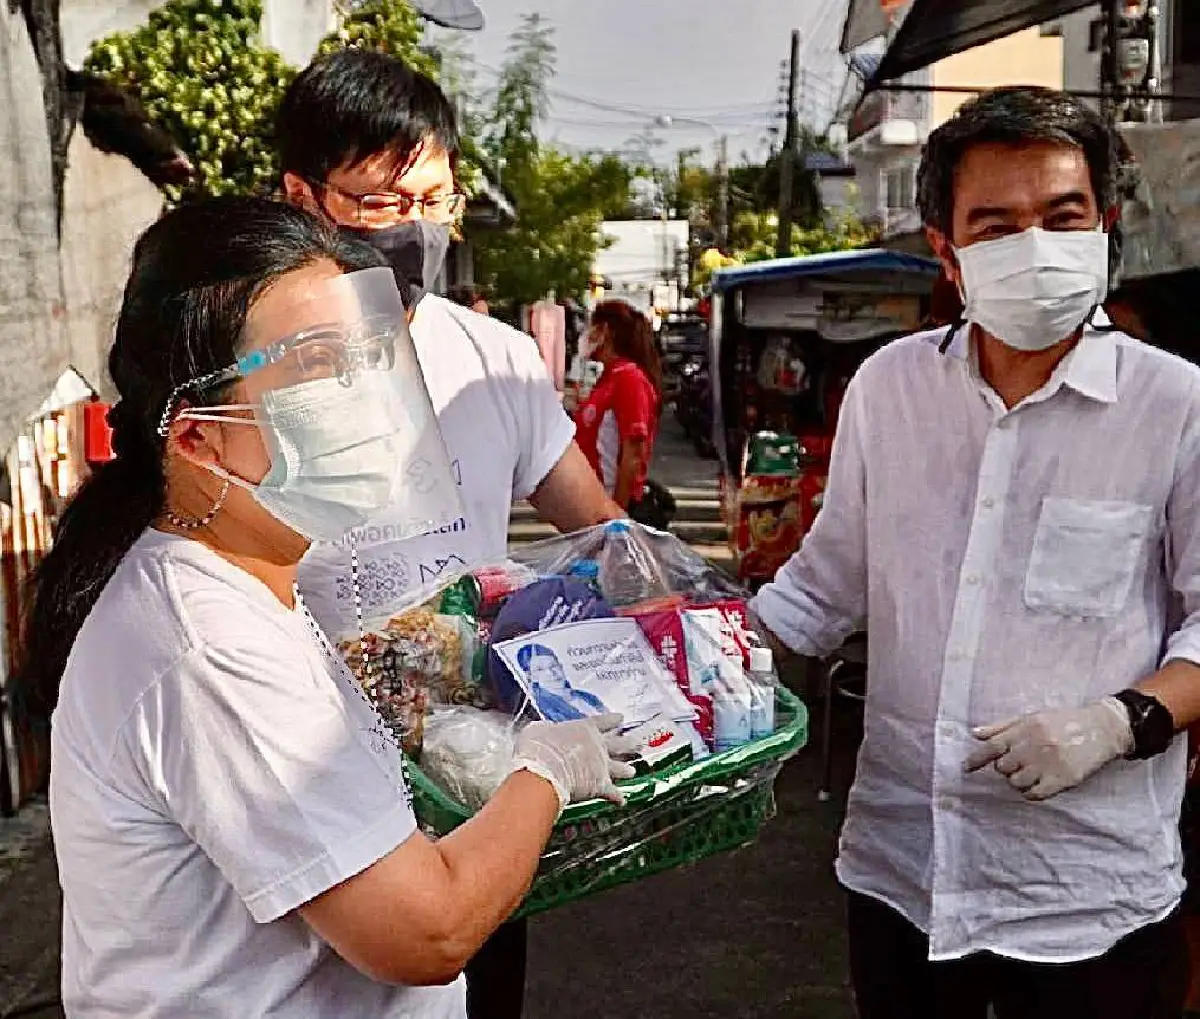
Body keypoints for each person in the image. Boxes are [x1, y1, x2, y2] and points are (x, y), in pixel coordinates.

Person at [24, 196, 635, 1019]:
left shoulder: (254, 578)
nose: (366, 396)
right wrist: (547, 770)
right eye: (315, 364)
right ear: (197, 437)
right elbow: (426, 931)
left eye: (367, 355)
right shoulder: (206, 644)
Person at [749, 86, 1200, 1019]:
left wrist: (1124, 721)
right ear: (948, 255)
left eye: (1062, 215)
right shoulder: (889, 388)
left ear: (1106, 228)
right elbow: (827, 584)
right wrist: (694, 667)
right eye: (995, 224)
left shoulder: (1178, 406)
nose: (1033, 243)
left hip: (1091, 889)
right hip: (905, 871)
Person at [273, 49, 624, 1019]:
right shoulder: (248, 364)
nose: (418, 228)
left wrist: (676, 603)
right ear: (303, 197)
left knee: (476, 982)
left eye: (438, 196)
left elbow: (594, 525)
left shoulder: (499, 361)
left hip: (473, 765)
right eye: (383, 203)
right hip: (299, 766)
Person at [574, 300, 663, 513]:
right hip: (593, 504)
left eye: (590, 327)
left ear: (604, 330)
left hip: (612, 506)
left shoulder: (630, 378)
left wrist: (617, 513)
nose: (585, 334)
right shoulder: (608, 377)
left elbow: (633, 452)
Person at [516, 644, 606, 722]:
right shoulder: (541, 707)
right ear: (530, 676)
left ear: (561, 666)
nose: (551, 673)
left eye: (553, 666)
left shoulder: (587, 696)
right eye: (540, 669)